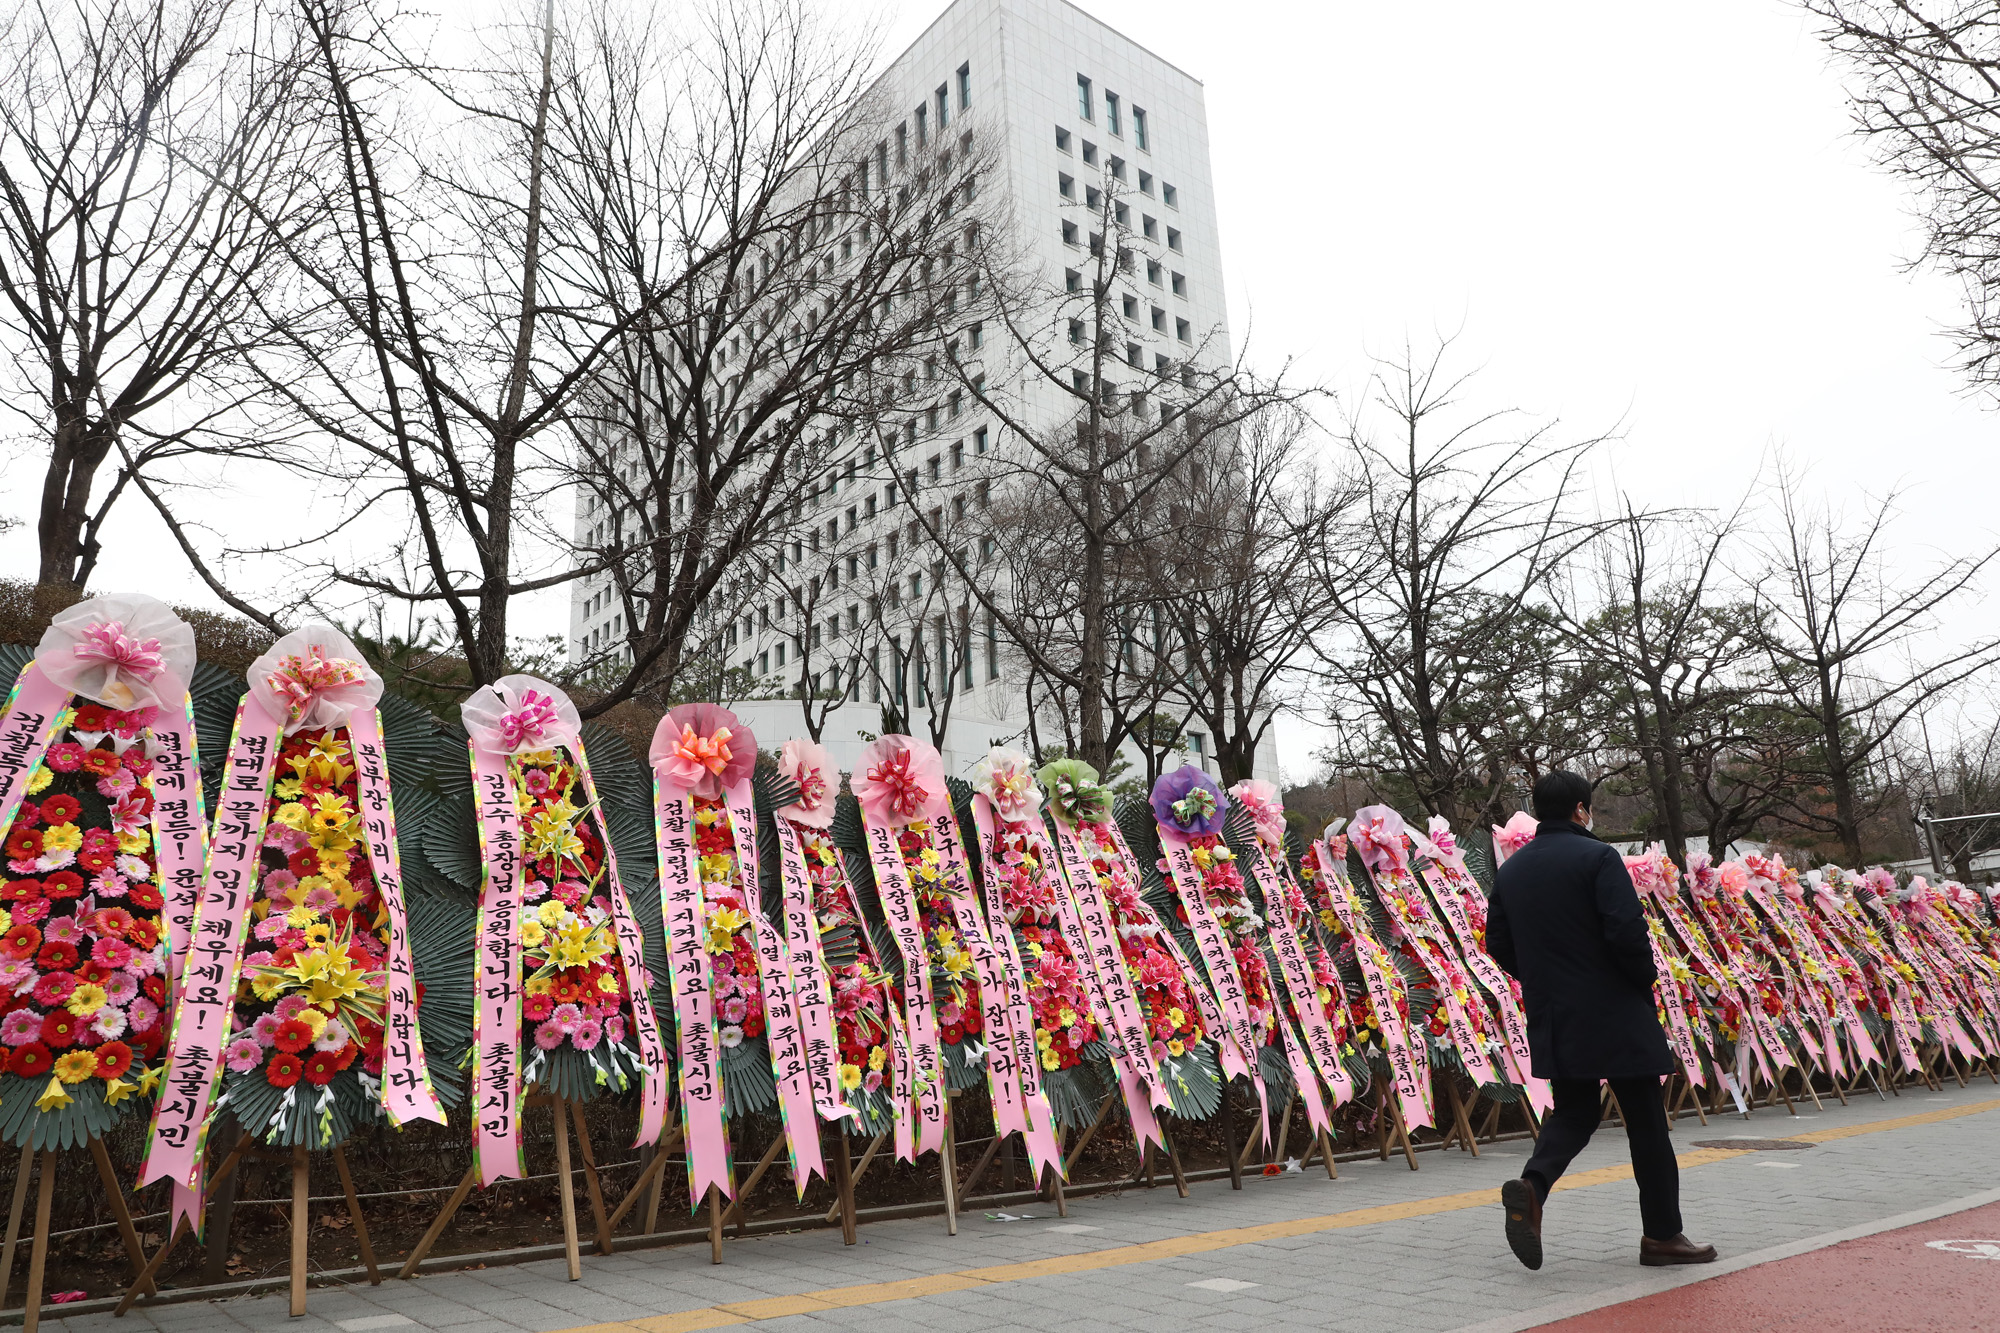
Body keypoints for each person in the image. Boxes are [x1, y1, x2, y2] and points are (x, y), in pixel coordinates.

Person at [1485, 771, 1716, 1271]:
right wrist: (1641, 981)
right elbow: (1626, 931)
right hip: (1614, 1008)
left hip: (1554, 1011)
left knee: (1574, 1111)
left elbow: (1497, 944)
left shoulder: (1512, 871)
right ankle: (1661, 1235)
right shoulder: (1598, 857)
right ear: (1580, 809)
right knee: (1646, 1122)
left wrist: (1543, 979)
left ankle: (1533, 1186)